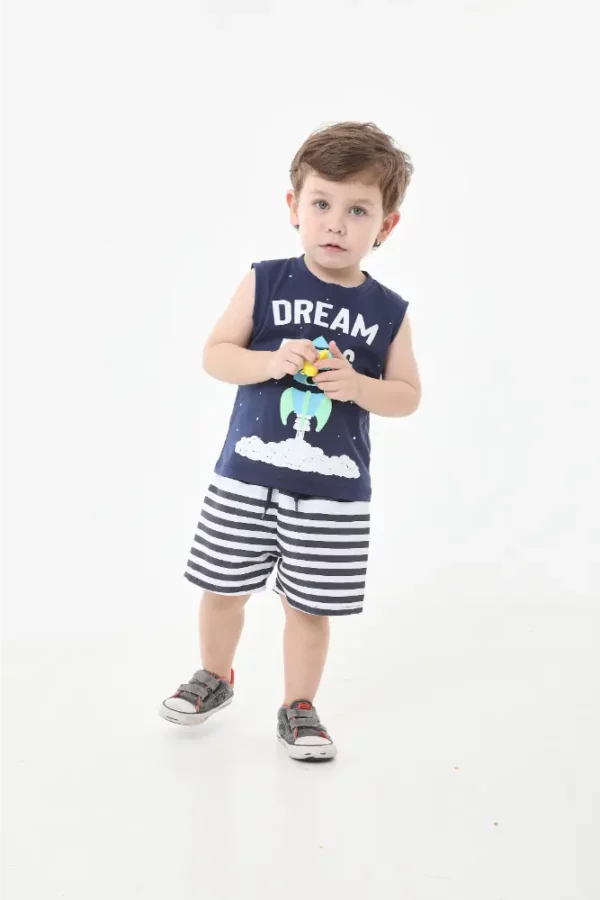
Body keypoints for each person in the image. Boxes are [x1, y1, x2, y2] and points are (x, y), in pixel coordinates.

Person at [159, 121, 421, 761]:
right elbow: (216, 355)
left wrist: (358, 385)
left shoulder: (389, 310)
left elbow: (407, 395)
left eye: (357, 210)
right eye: (322, 203)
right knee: (222, 586)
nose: (336, 223)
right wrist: (269, 361)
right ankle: (214, 676)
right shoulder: (267, 280)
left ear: (385, 226)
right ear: (293, 206)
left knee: (309, 607)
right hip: (245, 478)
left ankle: (298, 705)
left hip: (333, 494)